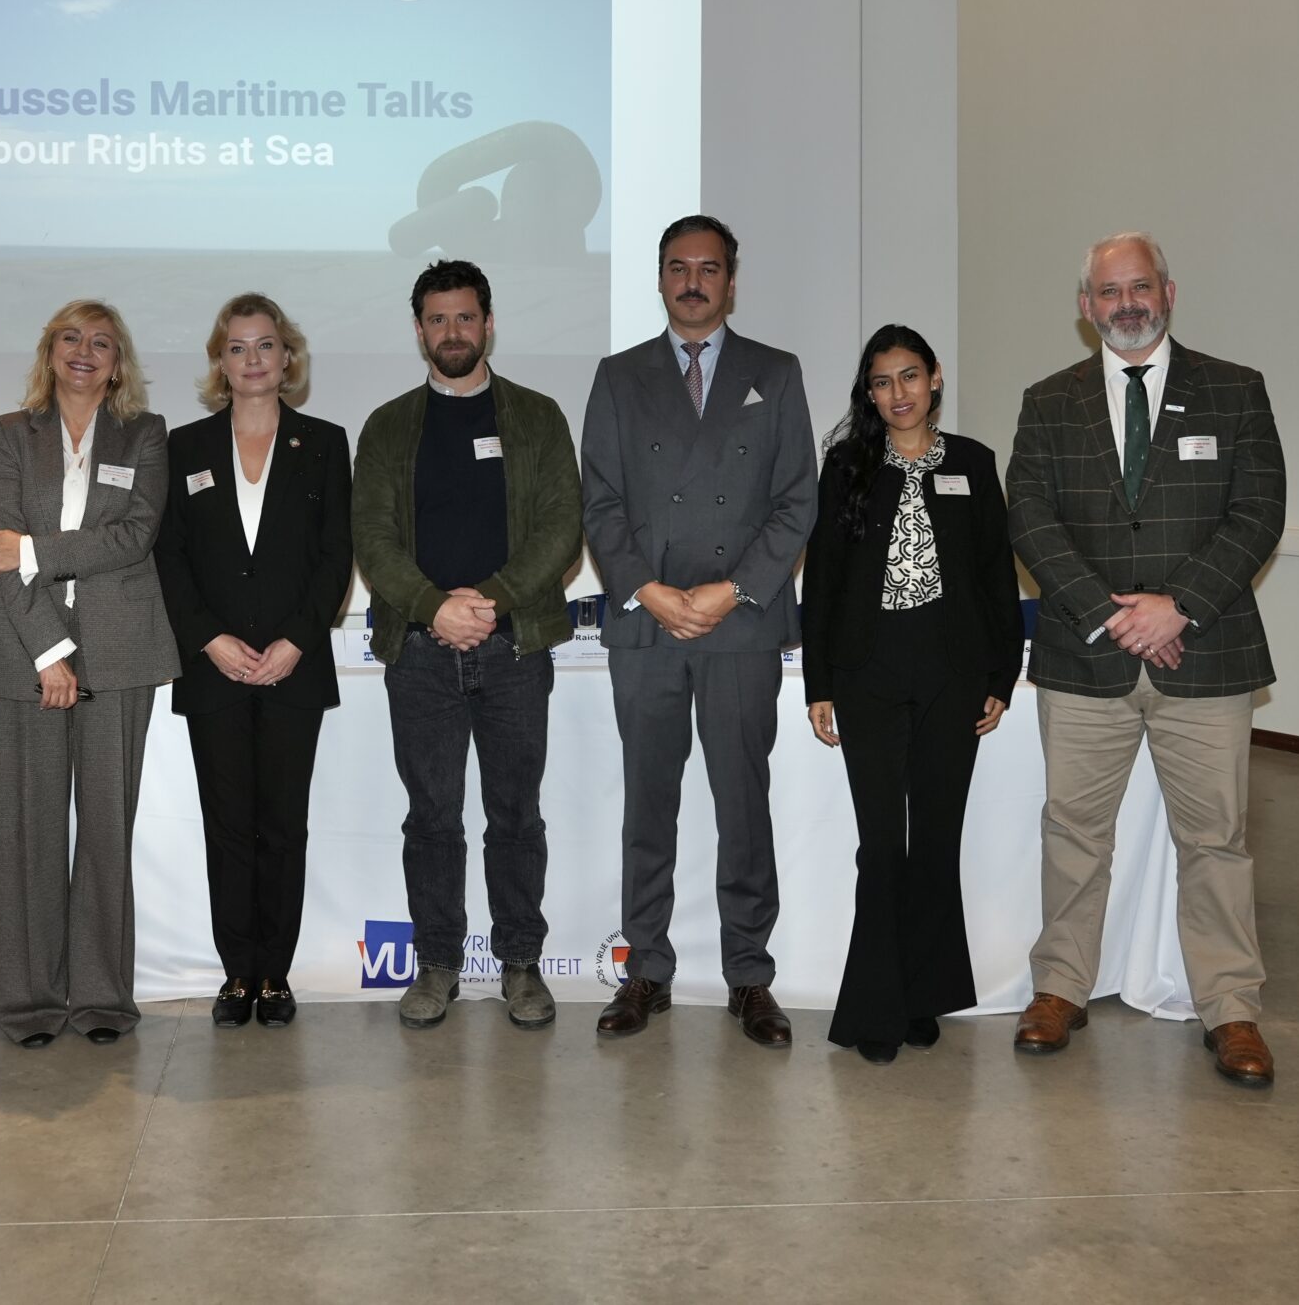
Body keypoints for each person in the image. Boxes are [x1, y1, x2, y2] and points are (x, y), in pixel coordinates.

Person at [1004, 232, 1286, 1087]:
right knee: (1074, 834)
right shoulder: (1049, 401)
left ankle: (1231, 1006)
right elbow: (1030, 515)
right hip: (1086, 656)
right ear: (1086, 307)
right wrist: (1108, 614)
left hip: (1206, 653)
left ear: (1170, 291)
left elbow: (1258, 511)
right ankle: (1060, 985)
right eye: (1107, 291)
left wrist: (1180, 606)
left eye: (1140, 287)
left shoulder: (1235, 391)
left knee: (1217, 840)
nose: (1125, 303)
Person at [581, 214, 817, 1047]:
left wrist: (731, 591)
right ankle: (646, 966)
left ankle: (749, 975)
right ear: (658, 277)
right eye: (678, 266)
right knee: (650, 804)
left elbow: (797, 501)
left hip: (739, 625)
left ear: (731, 278)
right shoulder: (618, 377)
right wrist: (647, 589)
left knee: (741, 806)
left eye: (708, 267)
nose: (693, 281)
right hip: (647, 624)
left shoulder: (775, 373)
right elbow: (599, 502)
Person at [351, 260, 581, 1030]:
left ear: (488, 323)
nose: (452, 332)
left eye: (465, 317)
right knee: (433, 819)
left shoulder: (538, 416)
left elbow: (561, 528)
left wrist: (493, 601)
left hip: (516, 647)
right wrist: (432, 608)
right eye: (437, 319)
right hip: (419, 651)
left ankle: (521, 963)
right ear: (419, 330)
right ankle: (438, 963)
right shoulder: (388, 426)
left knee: (516, 814)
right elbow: (373, 538)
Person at [0, 300, 180, 1048]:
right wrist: (51, 650)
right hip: (24, 651)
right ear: (49, 351)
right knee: (29, 832)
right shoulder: (8, 433)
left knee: (107, 832)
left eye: (102, 343)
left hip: (123, 654)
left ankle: (103, 997)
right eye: (70, 339)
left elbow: (135, 535)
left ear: (120, 363)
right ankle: (29, 1002)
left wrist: (38, 551)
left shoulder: (145, 434)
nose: (85, 352)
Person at [802, 326, 1022, 1063]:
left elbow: (997, 578)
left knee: (933, 841)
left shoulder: (972, 463)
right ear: (869, 393)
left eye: (909, 376)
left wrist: (1001, 676)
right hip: (867, 679)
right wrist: (820, 682)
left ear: (935, 379)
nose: (897, 393)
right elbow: (824, 581)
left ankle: (924, 994)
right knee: (880, 846)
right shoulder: (847, 466)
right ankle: (876, 1005)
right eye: (881, 381)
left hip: (951, 678)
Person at [155, 293, 352, 1029]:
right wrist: (209, 638)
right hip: (215, 667)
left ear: (287, 357)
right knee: (228, 823)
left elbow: (336, 555)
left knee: (282, 824)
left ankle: (276, 972)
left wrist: (298, 639)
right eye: (237, 347)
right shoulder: (185, 447)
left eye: (265, 345)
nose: (253, 359)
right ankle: (238, 971)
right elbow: (170, 557)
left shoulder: (326, 442)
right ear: (220, 362)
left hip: (294, 665)